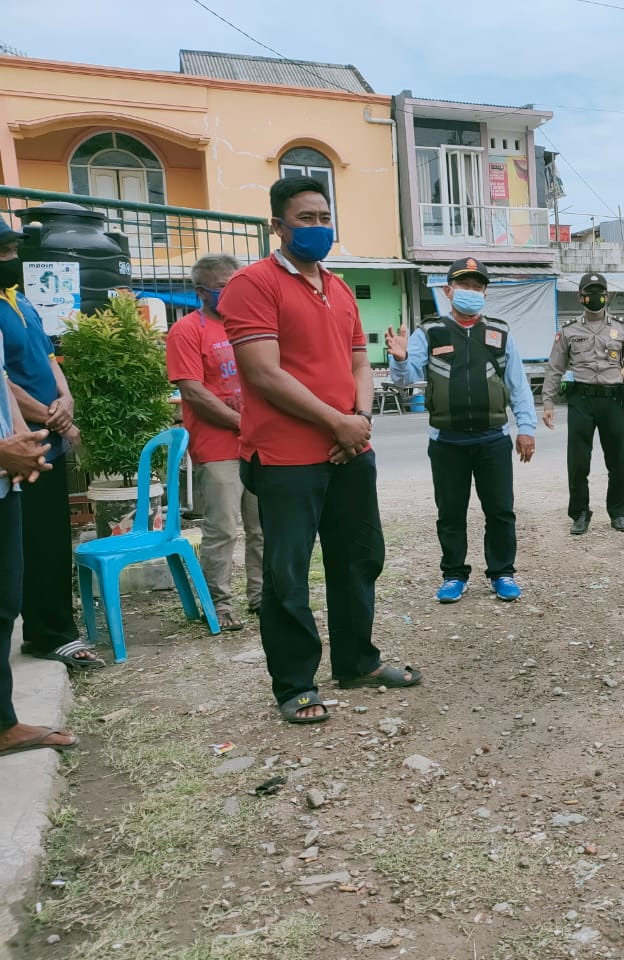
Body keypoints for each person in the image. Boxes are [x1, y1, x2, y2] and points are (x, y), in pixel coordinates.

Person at [220, 176, 418, 725]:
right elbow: (264, 373)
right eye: (305, 218)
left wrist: (359, 421)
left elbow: (360, 363)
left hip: (350, 448)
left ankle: (357, 662)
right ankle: (295, 684)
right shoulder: (252, 285)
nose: (318, 227)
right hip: (285, 458)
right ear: (277, 226)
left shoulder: (339, 287)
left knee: (359, 558)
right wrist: (337, 422)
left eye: (324, 217)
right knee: (287, 574)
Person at [386, 257, 537, 604]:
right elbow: (405, 379)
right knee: (451, 512)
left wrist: (526, 428)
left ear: (485, 293)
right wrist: (400, 358)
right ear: (448, 290)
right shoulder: (430, 332)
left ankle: (502, 573)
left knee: (500, 510)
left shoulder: (500, 333)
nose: (471, 291)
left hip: (493, 439)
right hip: (447, 442)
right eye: (464, 285)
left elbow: (518, 385)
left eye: (477, 286)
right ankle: (454, 575)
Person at [0, 221, 103, 670]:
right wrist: (48, 415)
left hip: (50, 438)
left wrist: (66, 399)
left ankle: (59, 626)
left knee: (54, 540)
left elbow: (48, 359)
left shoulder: (20, 300)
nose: (11, 259)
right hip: (24, 444)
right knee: (36, 544)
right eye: (3, 252)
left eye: (12, 249)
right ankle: (48, 633)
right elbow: (3, 380)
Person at [166, 254, 263, 631]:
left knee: (262, 527)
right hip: (219, 447)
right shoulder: (187, 331)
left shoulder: (251, 326)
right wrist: (243, 423)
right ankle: (218, 604)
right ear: (201, 292)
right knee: (222, 529)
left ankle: (261, 596)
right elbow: (193, 391)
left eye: (236, 283)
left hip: (260, 443)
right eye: (223, 286)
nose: (232, 291)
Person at [0, 337, 78, 758]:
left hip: (6, 481)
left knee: (6, 603)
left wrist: (23, 442)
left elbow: (2, 382)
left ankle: (4, 723)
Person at [541, 272, 624, 535]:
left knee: (617, 461)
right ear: (581, 297)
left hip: (613, 400)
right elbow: (555, 368)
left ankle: (619, 513)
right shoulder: (568, 331)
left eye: (600, 292)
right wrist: (548, 402)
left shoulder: (622, 328)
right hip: (581, 400)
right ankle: (580, 513)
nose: (596, 297)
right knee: (578, 463)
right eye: (590, 292)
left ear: (607, 296)